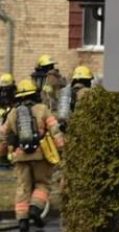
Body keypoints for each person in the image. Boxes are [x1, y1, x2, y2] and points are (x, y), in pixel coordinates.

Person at [0, 79, 64, 232]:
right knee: (42, 184)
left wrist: (2, 152)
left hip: (19, 156)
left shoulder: (13, 113)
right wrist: (62, 147)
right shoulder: (43, 109)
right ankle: (35, 208)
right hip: (40, 155)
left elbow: (2, 135)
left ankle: (22, 221)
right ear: (34, 94)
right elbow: (55, 130)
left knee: (23, 188)